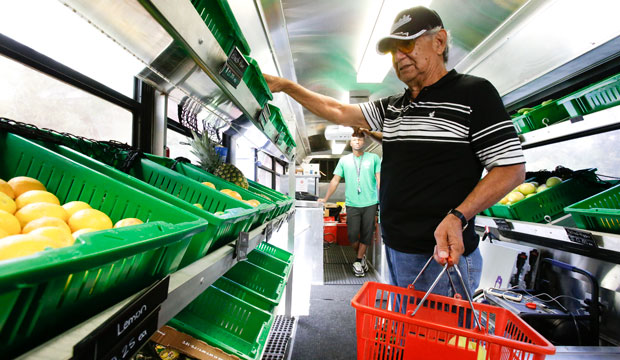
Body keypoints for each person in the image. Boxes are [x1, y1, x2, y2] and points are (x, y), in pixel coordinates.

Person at [264, 6, 525, 297]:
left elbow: (511, 169)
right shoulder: (393, 107)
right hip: (398, 250)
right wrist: (286, 86)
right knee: (408, 337)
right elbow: (337, 110)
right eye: (393, 50)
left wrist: (458, 216)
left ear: (439, 42)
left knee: (436, 340)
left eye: (407, 45)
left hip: (440, 258)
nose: (399, 57)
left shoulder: (473, 94)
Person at [319, 129, 380, 277]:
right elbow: (335, 180)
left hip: (371, 202)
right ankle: (362, 256)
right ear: (350, 142)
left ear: (364, 142)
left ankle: (358, 261)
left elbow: (379, 180)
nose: (357, 142)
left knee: (366, 234)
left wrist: (384, 199)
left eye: (360, 139)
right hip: (352, 203)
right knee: (352, 235)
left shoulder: (374, 158)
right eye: (354, 139)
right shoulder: (344, 160)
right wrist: (325, 198)